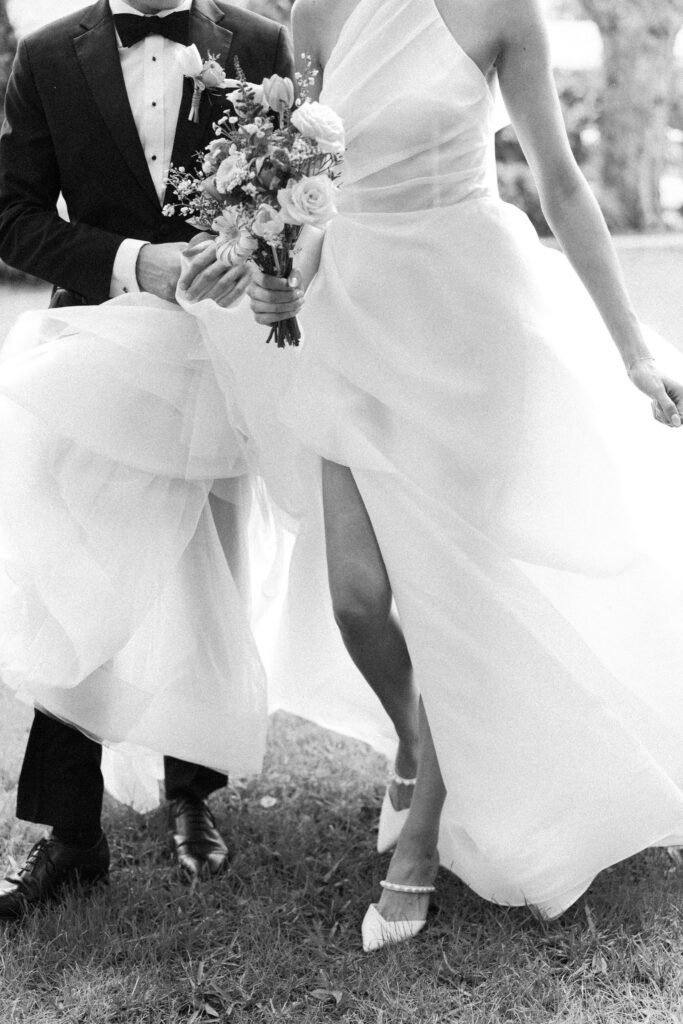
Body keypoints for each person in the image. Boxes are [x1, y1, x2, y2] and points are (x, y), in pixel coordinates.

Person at [249, 0, 683, 951]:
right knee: (357, 598)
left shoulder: (502, 11)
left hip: (468, 318)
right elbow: (317, 193)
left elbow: (562, 185)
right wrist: (287, 271)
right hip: (355, 313)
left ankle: (419, 844)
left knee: (451, 602)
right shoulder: (312, 15)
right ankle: (415, 739)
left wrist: (629, 351)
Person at [0, 0, 293, 918]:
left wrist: (245, 259)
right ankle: (71, 837)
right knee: (76, 578)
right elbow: (10, 214)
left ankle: (190, 795)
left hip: (222, 353)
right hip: (102, 340)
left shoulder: (257, 42)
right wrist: (135, 260)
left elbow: (292, 202)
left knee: (209, 565)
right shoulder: (49, 55)